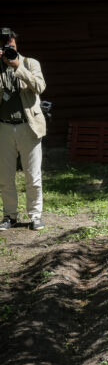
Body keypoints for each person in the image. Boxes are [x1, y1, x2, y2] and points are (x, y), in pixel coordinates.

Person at [0, 28, 46, 231]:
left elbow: (39, 86)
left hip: (29, 127)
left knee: (32, 175)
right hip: (4, 127)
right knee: (5, 176)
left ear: (16, 44)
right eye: (4, 47)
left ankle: (35, 215)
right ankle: (9, 215)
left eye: (11, 45)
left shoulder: (30, 63)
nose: (8, 49)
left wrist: (17, 66)